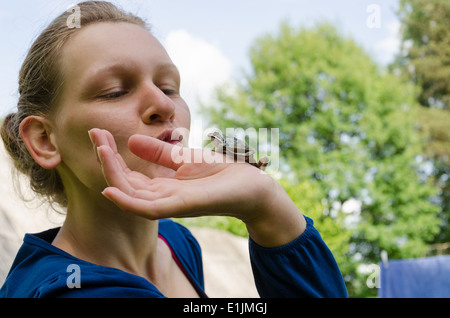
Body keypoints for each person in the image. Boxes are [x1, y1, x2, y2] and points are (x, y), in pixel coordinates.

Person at [0, 1, 347, 298]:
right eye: (115, 91)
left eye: (168, 87)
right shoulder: (68, 289)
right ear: (45, 140)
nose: (163, 106)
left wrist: (266, 204)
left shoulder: (175, 240)